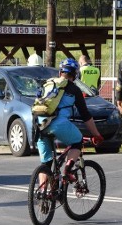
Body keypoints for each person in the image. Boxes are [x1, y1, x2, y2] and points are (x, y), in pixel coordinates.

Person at [36, 58, 104, 188]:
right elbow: (86, 116)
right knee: (77, 141)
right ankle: (67, 169)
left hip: (40, 125)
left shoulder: (47, 84)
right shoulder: (74, 89)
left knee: (46, 163)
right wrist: (96, 134)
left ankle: (42, 194)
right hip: (58, 124)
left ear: (60, 72)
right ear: (75, 74)